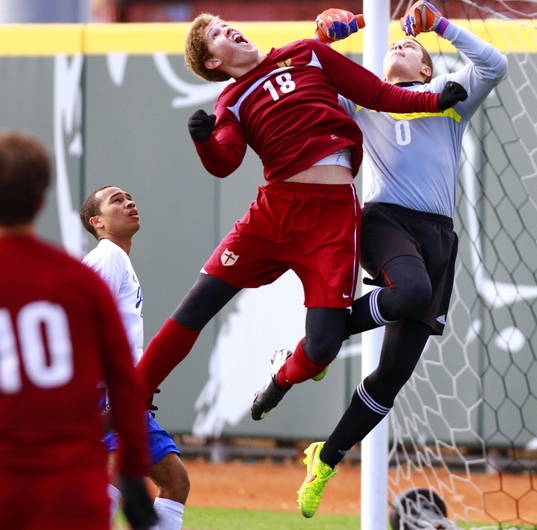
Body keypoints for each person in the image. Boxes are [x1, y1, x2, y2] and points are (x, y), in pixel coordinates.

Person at [134, 13, 467, 411]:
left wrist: (431, 99)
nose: (229, 29)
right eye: (217, 34)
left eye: (225, 23)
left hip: (332, 217)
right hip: (276, 211)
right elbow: (225, 161)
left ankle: (282, 375)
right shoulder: (231, 102)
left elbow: (378, 93)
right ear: (212, 63)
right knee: (198, 303)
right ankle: (133, 394)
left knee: (324, 345)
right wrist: (204, 140)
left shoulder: (309, 53)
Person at [253, 2, 508, 518]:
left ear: (427, 69)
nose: (399, 46)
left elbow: (494, 65)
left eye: (410, 47)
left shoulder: (448, 100)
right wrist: (329, 37)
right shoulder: (362, 99)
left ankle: (324, 457)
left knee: (391, 377)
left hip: (438, 235)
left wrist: (439, 25)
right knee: (409, 293)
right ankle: (318, 344)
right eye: (394, 44)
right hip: (384, 219)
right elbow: (306, 76)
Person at [0, 130, 157, 530]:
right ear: (41, 199)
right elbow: (122, 376)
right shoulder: (78, 278)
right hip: (67, 477)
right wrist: (135, 483)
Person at [80, 186, 190, 530]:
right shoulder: (108, 256)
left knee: (147, 480)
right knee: (171, 480)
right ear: (97, 222)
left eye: (129, 197)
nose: (129, 202)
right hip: (107, 395)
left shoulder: (117, 259)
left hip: (119, 393)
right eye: (116, 200)